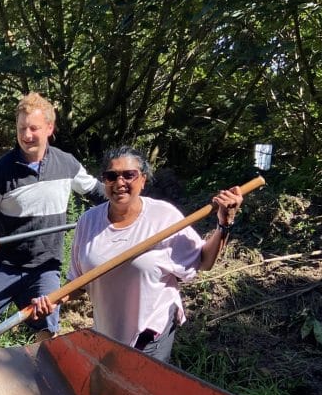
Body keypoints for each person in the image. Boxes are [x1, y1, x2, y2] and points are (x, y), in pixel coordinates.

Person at [32, 145, 243, 362]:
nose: (119, 183)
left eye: (129, 175)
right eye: (111, 176)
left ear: (142, 180)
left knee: (137, 388)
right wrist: (54, 301)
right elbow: (78, 281)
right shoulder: (89, 221)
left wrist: (224, 224)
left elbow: (205, 261)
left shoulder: (163, 218)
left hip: (151, 329)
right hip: (108, 330)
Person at [0, 92, 106, 340]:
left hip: (45, 268)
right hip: (2, 264)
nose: (26, 135)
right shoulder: (1, 170)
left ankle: (39, 375)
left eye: (33, 128)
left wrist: (131, 208)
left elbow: (98, 193)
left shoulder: (66, 164)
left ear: (49, 128)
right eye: (21, 128)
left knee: (48, 333)